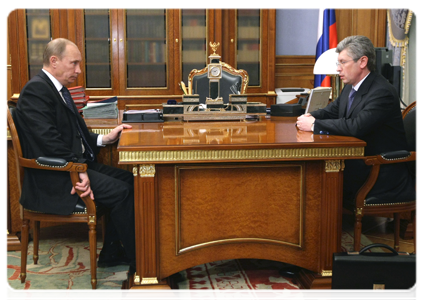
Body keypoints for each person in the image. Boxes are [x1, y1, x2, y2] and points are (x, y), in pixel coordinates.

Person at [15, 38, 135, 272]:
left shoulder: (59, 90)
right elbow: (49, 143)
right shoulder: (36, 90)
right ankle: (140, 262)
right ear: (54, 61)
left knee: (131, 180)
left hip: (71, 166)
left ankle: (112, 252)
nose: (79, 71)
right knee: (122, 193)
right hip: (54, 177)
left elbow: (74, 135)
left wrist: (105, 139)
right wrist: (79, 170)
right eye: (74, 64)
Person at [296, 35, 417, 206]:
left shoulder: (381, 92)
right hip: (360, 161)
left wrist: (315, 125)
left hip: (379, 170)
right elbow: (333, 110)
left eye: (343, 62)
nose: (338, 69)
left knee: (317, 176)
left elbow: (356, 127)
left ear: (362, 62)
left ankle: (325, 228)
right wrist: (310, 116)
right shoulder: (351, 87)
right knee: (314, 173)